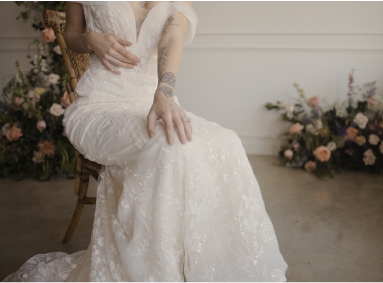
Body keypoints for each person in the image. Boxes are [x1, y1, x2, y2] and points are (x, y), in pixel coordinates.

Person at [2, 1, 287, 281]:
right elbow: (73, 34)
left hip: (152, 100)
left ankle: (205, 268)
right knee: (166, 147)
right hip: (100, 103)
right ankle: (154, 272)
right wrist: (90, 39)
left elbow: (173, 35)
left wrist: (164, 92)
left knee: (226, 142)